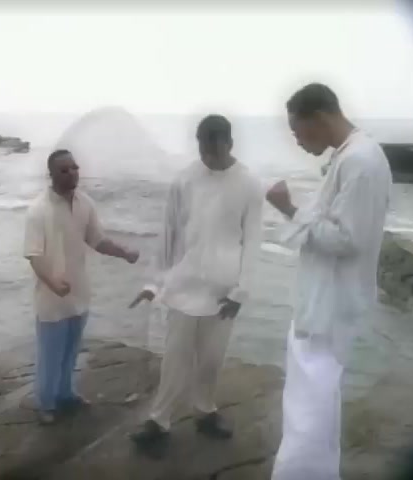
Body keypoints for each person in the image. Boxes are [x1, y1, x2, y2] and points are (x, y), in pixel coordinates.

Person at [266, 83, 392, 479]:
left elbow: (346, 239)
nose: (297, 141)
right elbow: (336, 224)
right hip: (325, 302)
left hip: (330, 306)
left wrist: (289, 208)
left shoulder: (360, 161)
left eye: (297, 131)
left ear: (319, 118)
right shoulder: (350, 155)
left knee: (307, 413)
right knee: (314, 408)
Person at [128, 114, 264, 458]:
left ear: (230, 144)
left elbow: (253, 241)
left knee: (212, 360)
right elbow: (169, 235)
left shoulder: (249, 183)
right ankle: (159, 420)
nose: (209, 158)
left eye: (215, 150)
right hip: (183, 287)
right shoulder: (185, 180)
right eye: (203, 150)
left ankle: (205, 411)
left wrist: (241, 291)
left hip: (223, 293)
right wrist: (153, 283)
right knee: (174, 359)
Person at [23, 149, 140, 425]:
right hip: (51, 298)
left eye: (74, 167)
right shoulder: (38, 210)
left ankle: (66, 394)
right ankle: (46, 403)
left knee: (71, 350)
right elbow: (33, 256)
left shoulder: (85, 203)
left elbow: (97, 240)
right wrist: (53, 283)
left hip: (78, 292)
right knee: (50, 355)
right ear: (51, 174)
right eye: (64, 170)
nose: (72, 173)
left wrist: (123, 252)